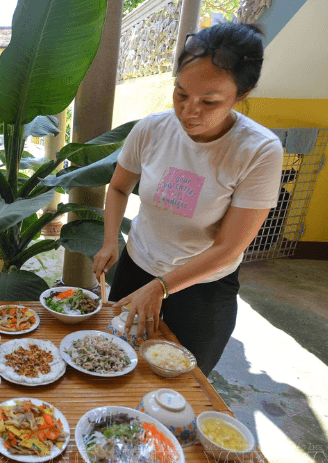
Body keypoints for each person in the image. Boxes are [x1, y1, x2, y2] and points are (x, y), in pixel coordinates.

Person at [92, 23, 283, 375]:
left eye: (209, 102)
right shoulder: (151, 129)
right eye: (181, 94)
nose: (188, 111)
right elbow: (119, 187)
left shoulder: (259, 151)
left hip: (203, 286)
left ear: (242, 94)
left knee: (182, 381)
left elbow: (229, 246)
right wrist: (109, 241)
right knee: (112, 363)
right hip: (137, 268)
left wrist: (163, 286)